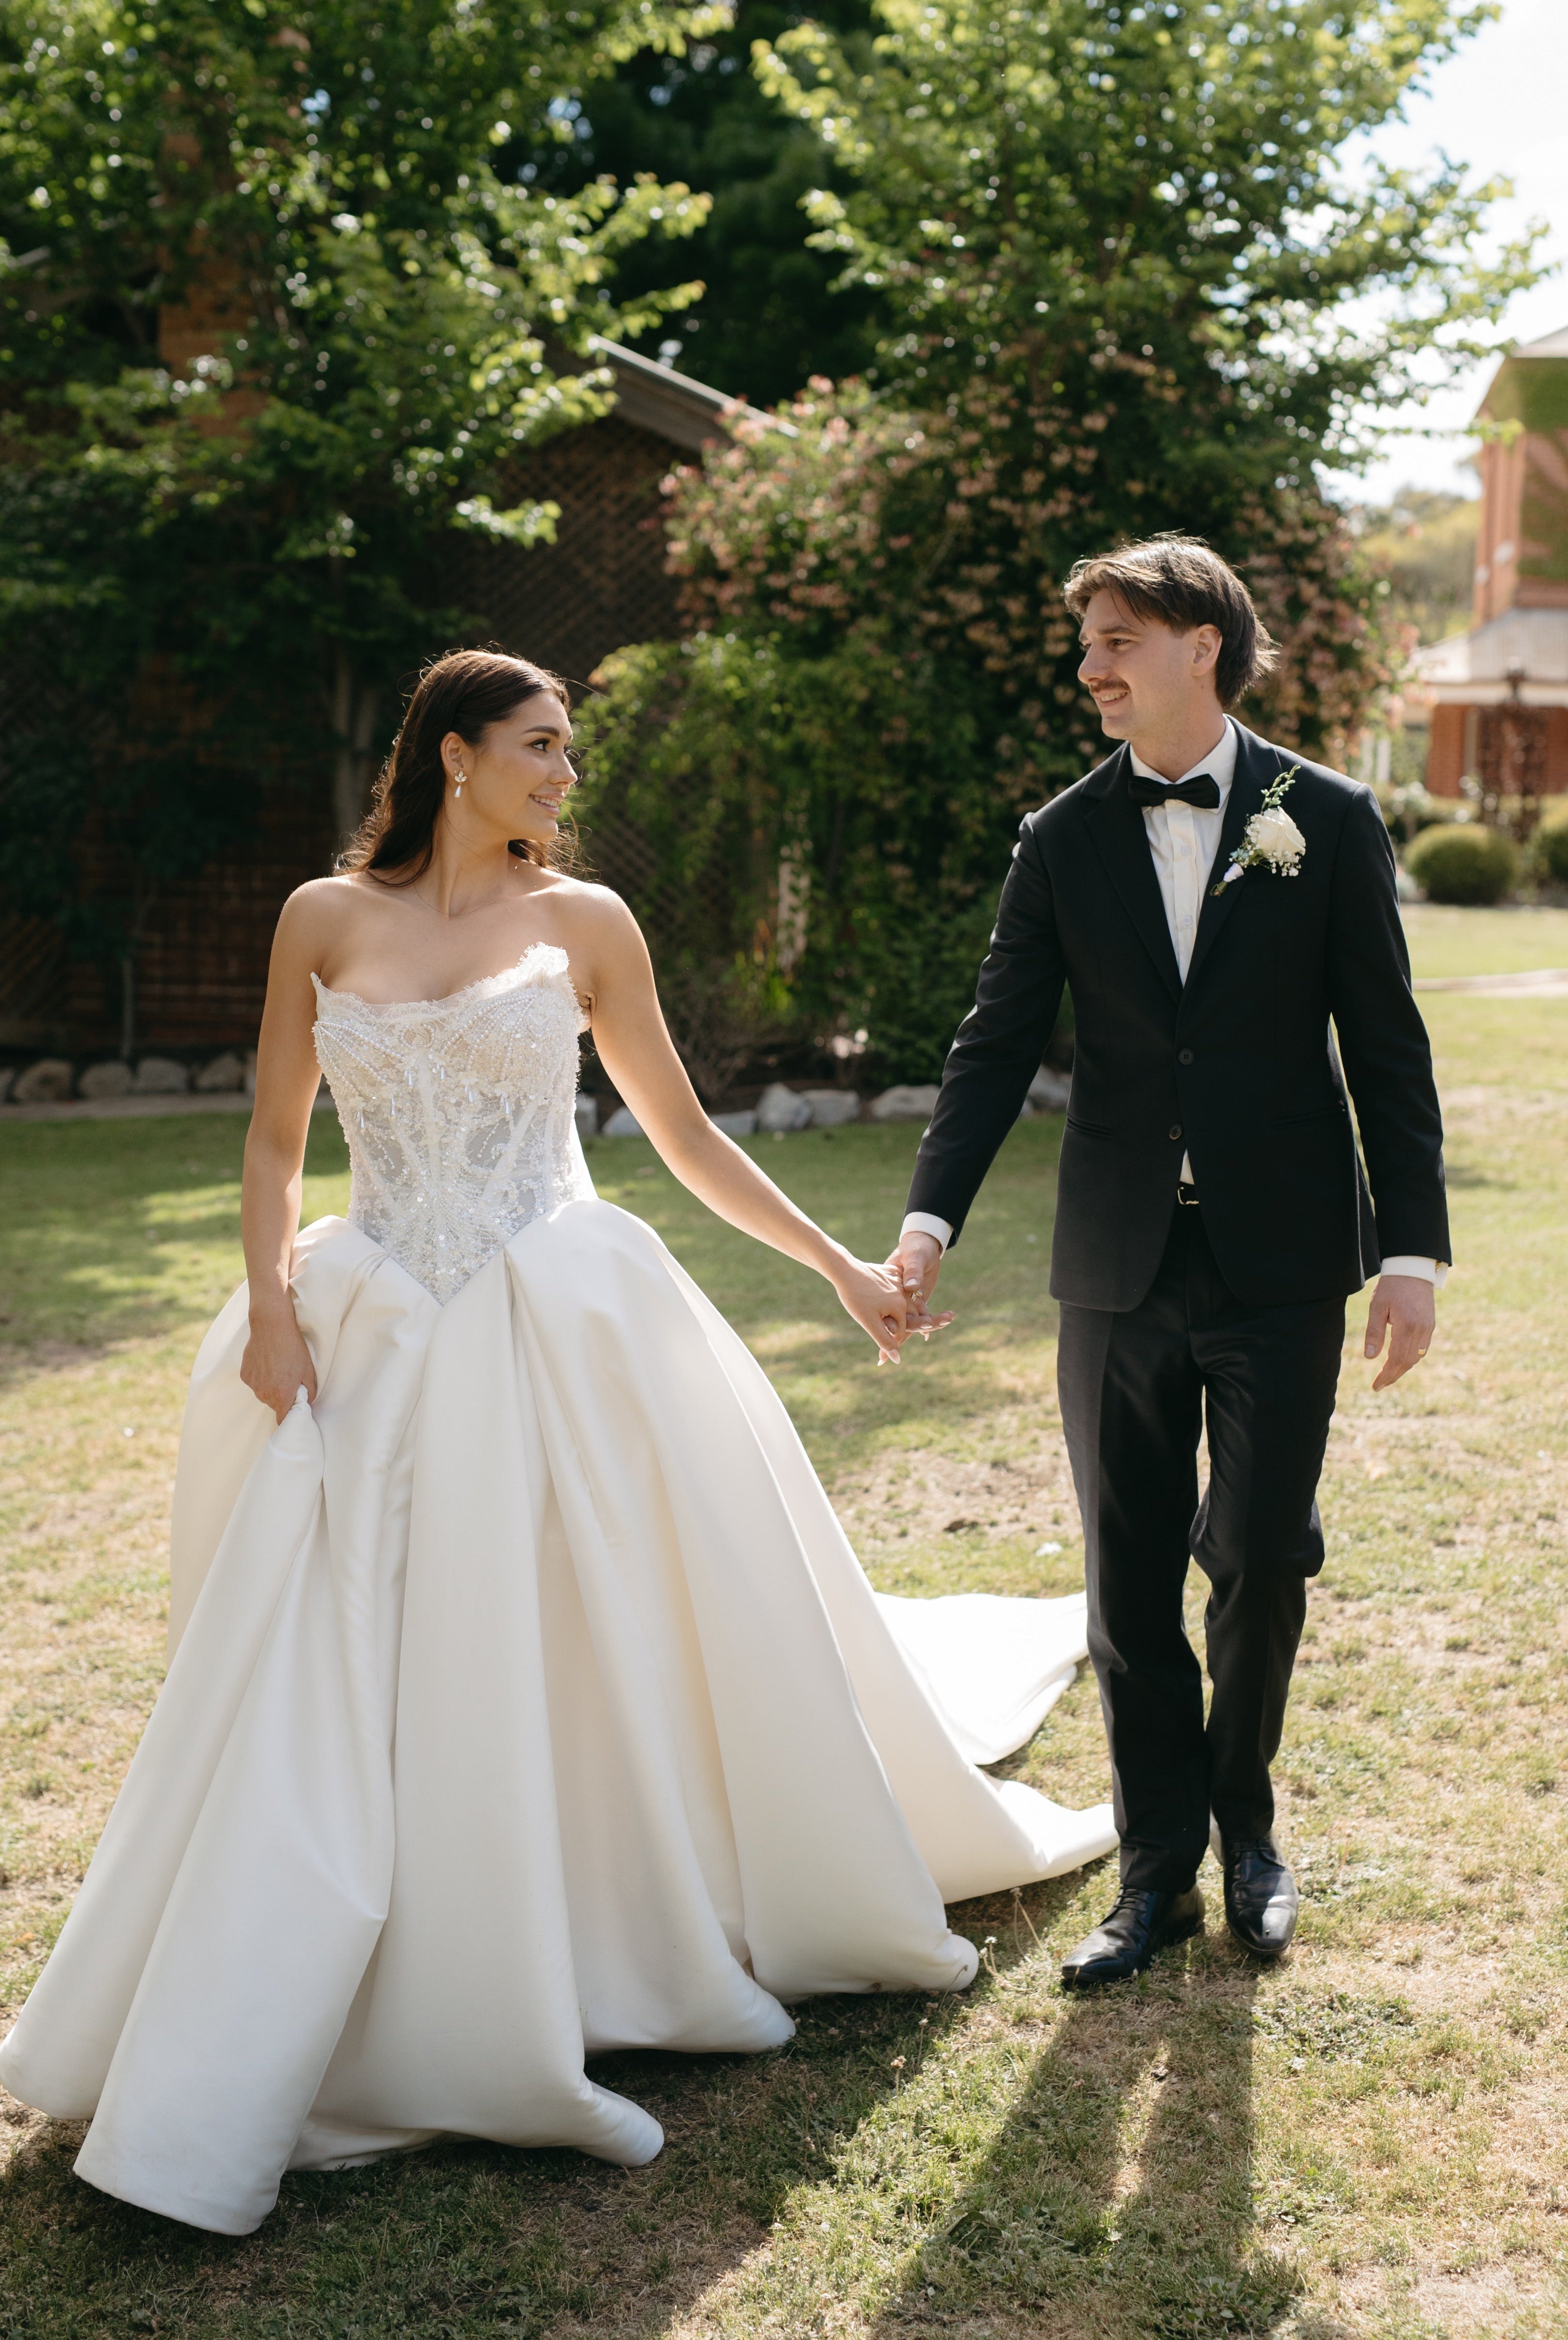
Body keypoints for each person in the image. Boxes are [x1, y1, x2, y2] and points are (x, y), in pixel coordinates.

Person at [0, 648, 1115, 2235]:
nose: (564, 772)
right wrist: (268, 1309)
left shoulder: (586, 924)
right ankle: (351, 1959)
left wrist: (840, 1270)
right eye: (540, 743)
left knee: (587, 1628)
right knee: (343, 1650)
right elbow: (272, 1135)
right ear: (454, 754)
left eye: (568, 747)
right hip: (375, 1315)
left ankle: (597, 1936)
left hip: (560, 1307)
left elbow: (684, 1133)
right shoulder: (322, 916)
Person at [887, 537, 1449, 1988]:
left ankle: (1248, 1833)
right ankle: (1155, 1879)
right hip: (1115, 1265)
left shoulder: (1325, 817)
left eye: (1117, 638)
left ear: (1203, 644)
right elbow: (994, 1043)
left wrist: (1411, 1250)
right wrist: (928, 1221)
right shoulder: (1061, 836)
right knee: (1127, 1579)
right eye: (1087, 641)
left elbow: (1385, 1047)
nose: (1090, 667)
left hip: (1282, 1259)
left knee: (1260, 1554)